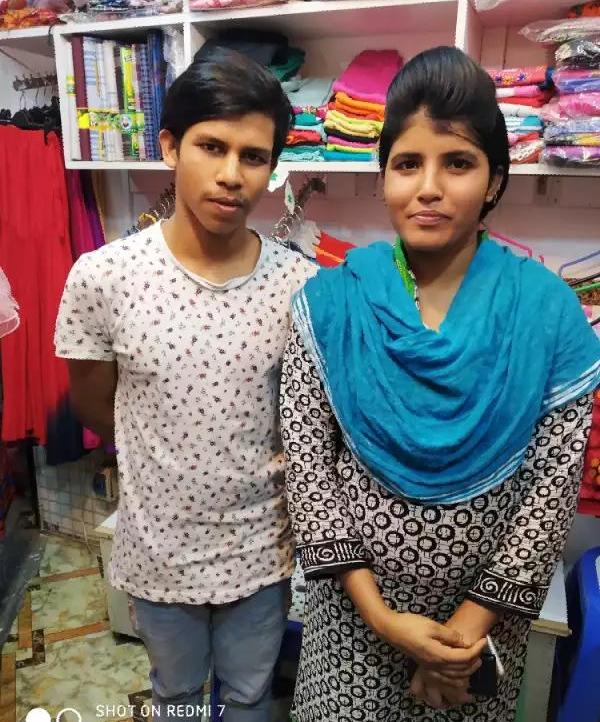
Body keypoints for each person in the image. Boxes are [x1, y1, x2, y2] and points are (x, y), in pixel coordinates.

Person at [280, 46, 600, 722]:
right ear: (383, 177)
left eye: (457, 163)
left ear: (494, 179)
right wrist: (381, 617)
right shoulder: (332, 304)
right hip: (353, 623)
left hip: (477, 633)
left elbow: (550, 492)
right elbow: (308, 468)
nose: (428, 187)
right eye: (407, 164)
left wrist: (463, 633)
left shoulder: (547, 314)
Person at [55, 47, 315, 722]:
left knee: (250, 695)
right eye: (211, 147)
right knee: (175, 695)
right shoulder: (104, 278)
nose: (231, 174)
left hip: (260, 552)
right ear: (170, 146)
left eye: (253, 156)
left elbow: (303, 421)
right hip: (159, 547)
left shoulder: (300, 286)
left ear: (271, 168)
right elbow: (96, 403)